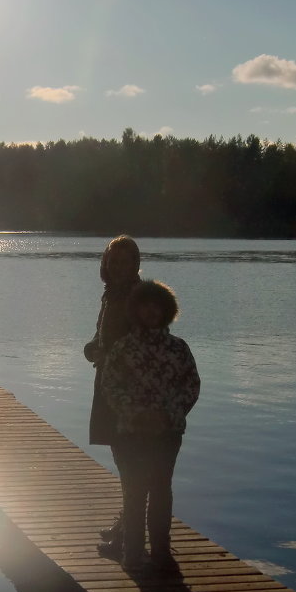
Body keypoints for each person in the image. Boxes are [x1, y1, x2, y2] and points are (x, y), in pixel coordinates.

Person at [98, 279, 200, 572]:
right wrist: (137, 413)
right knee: (135, 491)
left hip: (168, 432)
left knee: (161, 490)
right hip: (131, 432)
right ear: (136, 311)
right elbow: (111, 385)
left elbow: (191, 385)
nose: (151, 311)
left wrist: (170, 414)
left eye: (157, 306)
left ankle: (161, 552)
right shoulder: (123, 348)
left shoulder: (179, 348)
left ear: (167, 311)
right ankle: (132, 554)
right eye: (145, 306)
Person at [83, 235, 142, 547]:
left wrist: (110, 356)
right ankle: (126, 524)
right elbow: (102, 335)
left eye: (123, 261)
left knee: (130, 458)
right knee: (123, 457)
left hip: (128, 392)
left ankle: (130, 534)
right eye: (112, 261)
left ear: (135, 264)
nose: (117, 266)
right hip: (108, 384)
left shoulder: (137, 297)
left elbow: (143, 345)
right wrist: (92, 347)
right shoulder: (111, 295)